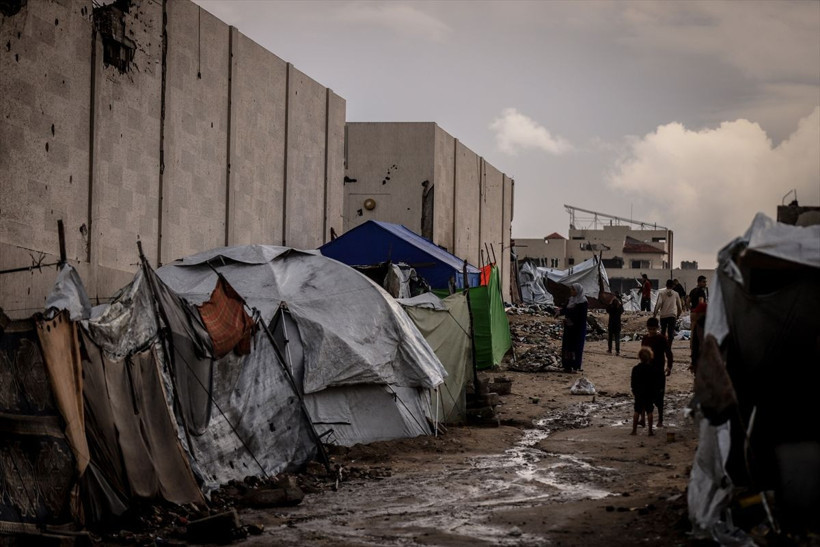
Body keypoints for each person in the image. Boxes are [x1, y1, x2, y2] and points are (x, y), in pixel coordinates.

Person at [641, 317, 673, 428]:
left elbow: (669, 353)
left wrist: (669, 366)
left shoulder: (661, 339)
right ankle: (643, 419)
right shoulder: (645, 339)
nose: (651, 331)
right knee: (645, 395)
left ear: (657, 328)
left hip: (659, 371)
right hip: (647, 371)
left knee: (659, 396)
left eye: (653, 329)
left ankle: (660, 420)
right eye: (650, 329)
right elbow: (643, 353)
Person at [556, 283, 588, 372]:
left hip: (578, 329)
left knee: (576, 347)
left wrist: (572, 320)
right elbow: (565, 310)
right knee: (567, 346)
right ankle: (567, 366)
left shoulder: (583, 302)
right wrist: (559, 312)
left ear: (578, 291)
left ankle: (575, 366)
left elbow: (581, 316)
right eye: (571, 289)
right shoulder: (570, 300)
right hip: (569, 328)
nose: (571, 291)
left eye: (573, 290)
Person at [631, 347, 656, 436]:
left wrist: (634, 391)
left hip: (639, 392)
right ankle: (650, 431)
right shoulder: (651, 369)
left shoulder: (635, 368)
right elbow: (654, 382)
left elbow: (633, 382)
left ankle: (634, 430)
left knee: (637, 411)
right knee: (649, 411)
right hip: (649, 392)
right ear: (649, 357)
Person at [687, 276, 709, 366]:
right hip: (699, 314)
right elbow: (701, 303)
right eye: (704, 282)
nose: (705, 283)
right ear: (699, 282)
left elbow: (687, 301)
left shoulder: (693, 291)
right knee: (698, 331)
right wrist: (701, 310)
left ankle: (692, 350)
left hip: (693, 313)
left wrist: (691, 309)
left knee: (693, 331)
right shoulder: (701, 292)